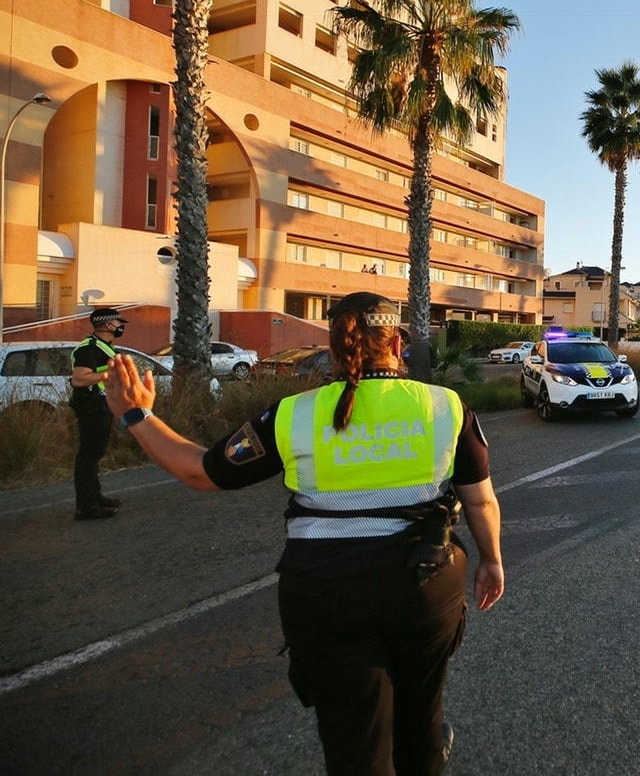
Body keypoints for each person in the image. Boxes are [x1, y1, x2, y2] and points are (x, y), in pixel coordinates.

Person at [103, 292, 503, 774]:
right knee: (421, 719)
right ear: (397, 344)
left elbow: (200, 472)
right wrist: (491, 561)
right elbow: (480, 499)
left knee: (355, 742)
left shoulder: (292, 414)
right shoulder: (445, 406)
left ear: (335, 349)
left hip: (324, 590)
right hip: (424, 582)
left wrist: (136, 416)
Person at [69, 307, 129, 520]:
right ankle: (86, 507)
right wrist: (111, 373)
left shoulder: (104, 347)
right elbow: (79, 379)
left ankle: (95, 496)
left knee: (94, 453)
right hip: (90, 404)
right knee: (89, 455)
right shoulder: (90, 348)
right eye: (118, 322)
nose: (121, 326)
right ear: (107, 324)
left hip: (100, 403)